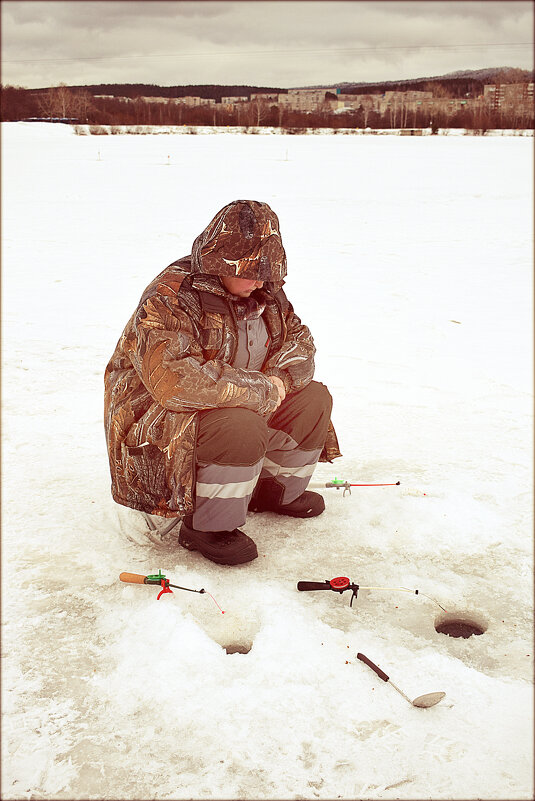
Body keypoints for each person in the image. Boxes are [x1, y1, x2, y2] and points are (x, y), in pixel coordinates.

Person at [104, 200, 341, 565]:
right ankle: (208, 524)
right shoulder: (171, 296)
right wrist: (262, 390)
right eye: (251, 270)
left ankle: (273, 491)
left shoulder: (265, 291)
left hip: (237, 403)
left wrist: (278, 380)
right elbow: (176, 381)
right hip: (159, 421)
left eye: (266, 270)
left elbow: (300, 342)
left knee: (313, 398)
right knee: (240, 422)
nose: (260, 280)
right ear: (221, 261)